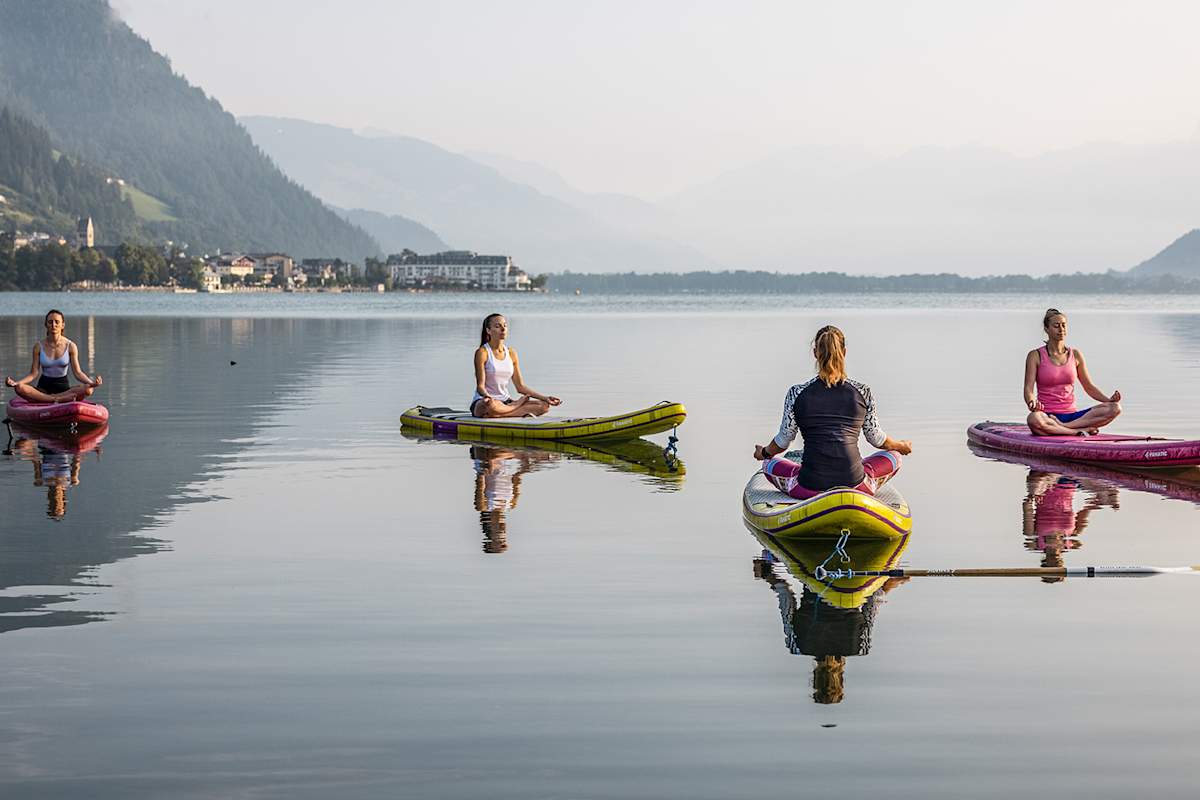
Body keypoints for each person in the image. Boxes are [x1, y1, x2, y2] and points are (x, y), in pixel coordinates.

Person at [752, 325, 912, 499]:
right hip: (855, 484)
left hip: (809, 486)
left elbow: (783, 441)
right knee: (895, 457)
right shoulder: (863, 392)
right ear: (844, 352)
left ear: (815, 353)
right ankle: (863, 484)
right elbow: (877, 438)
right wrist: (901, 446)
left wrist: (764, 453)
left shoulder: (796, 393)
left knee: (768, 463)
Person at [1024, 308, 1121, 436]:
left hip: (1074, 418)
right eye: (1056, 326)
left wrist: (1109, 400)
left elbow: (1089, 387)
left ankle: (1064, 427)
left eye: (1064, 325)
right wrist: (1032, 402)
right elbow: (1028, 389)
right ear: (1047, 329)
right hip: (1047, 416)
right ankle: (1075, 432)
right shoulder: (1035, 355)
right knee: (1033, 419)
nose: (1061, 329)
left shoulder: (1075, 355)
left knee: (1115, 408)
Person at [470, 313, 561, 418]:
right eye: (497, 326)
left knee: (544, 406)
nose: (503, 329)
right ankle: (514, 408)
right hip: (486, 402)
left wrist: (545, 398)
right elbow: (480, 386)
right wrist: (487, 397)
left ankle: (499, 414)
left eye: (505, 325)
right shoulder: (482, 353)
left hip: (506, 402)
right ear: (488, 331)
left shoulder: (511, 353)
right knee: (490, 405)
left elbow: (520, 387)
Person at [5, 309, 103, 403]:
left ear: (62, 325)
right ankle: (56, 399)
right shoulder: (38, 346)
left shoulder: (71, 346)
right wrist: (17, 383)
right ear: (46, 325)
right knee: (20, 388)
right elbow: (33, 373)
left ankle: (49, 399)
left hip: (64, 389)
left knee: (88, 390)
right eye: (50, 322)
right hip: (43, 388)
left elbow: (78, 372)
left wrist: (92, 383)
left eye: (57, 322)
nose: (53, 325)